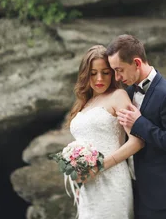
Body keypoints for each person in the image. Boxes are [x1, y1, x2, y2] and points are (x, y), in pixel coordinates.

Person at [107, 34, 166, 219]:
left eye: (119, 70)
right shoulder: (127, 92)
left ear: (137, 63)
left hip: (163, 199)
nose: (117, 77)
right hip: (133, 193)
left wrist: (140, 124)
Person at [67, 45, 145, 219]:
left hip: (112, 179)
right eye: (93, 73)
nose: (99, 78)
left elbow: (137, 141)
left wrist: (99, 167)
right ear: (85, 75)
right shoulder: (85, 102)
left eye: (105, 72)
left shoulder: (118, 96)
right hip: (88, 185)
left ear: (113, 73)